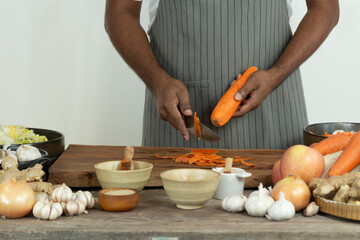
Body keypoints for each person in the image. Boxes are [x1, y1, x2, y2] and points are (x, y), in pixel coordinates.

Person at [105, 0, 339, 149]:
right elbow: (120, 10)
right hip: (181, 124)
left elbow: (326, 7)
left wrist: (275, 76)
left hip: (274, 119)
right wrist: (157, 82)